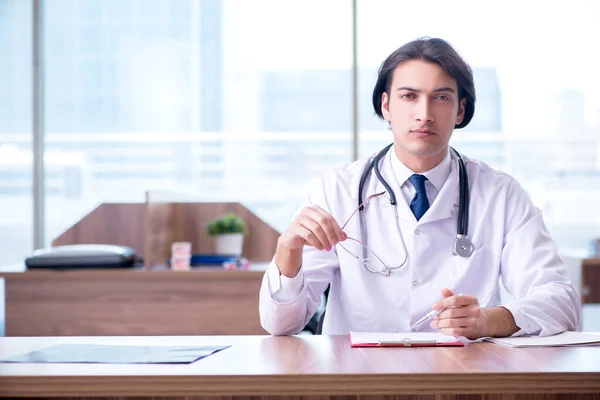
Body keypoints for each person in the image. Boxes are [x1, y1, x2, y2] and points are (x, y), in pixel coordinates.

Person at [258, 37, 580, 339]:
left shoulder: (500, 194)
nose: (424, 115)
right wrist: (288, 250)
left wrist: (488, 320)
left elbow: (560, 301)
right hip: (359, 380)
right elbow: (280, 324)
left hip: (462, 377)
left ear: (460, 110)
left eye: (441, 98)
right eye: (409, 96)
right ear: (386, 106)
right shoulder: (339, 189)